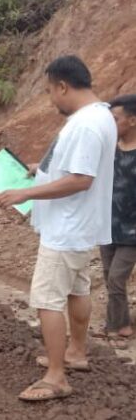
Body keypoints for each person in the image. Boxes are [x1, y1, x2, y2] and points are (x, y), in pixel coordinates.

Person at [0, 55, 117, 401]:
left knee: (47, 299)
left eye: (50, 91)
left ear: (63, 86)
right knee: (77, 290)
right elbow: (74, 168)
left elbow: (81, 179)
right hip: (79, 227)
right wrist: (42, 169)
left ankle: (56, 377)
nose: (51, 100)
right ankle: (76, 353)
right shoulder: (99, 116)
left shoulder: (86, 125)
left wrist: (26, 192)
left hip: (66, 229)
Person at [99, 94, 136, 349]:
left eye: (115, 119)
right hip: (108, 225)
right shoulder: (109, 149)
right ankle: (119, 324)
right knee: (108, 276)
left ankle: (116, 328)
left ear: (132, 120)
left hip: (133, 231)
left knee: (115, 278)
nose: (111, 124)